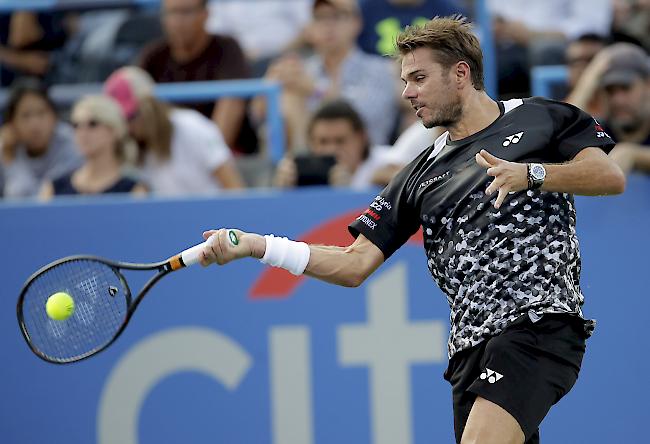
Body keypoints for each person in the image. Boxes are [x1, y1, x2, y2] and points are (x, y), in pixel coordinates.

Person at [196, 16, 626, 444]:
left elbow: (608, 176)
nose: (407, 93)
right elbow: (353, 264)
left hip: (538, 326)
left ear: (461, 73)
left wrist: (531, 174)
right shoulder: (419, 175)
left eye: (419, 78)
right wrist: (257, 245)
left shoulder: (541, 118)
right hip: (468, 352)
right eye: (405, 80)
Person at [262, 0, 401, 151]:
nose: (328, 25)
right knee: (288, 96)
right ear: (309, 29)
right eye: (320, 17)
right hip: (313, 159)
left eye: (337, 16)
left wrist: (315, 90)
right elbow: (258, 120)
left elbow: (365, 117)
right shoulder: (303, 70)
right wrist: (268, 90)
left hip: (366, 164)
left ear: (357, 23)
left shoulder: (378, 68)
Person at [139, 0, 257, 154]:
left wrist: (209, 158)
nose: (178, 21)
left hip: (224, 157)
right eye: (171, 13)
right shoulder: (152, 57)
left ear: (205, 14)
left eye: (186, 12)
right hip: (166, 155)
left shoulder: (226, 49)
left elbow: (232, 104)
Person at [104, 66, 244, 196]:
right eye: (121, 121)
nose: (128, 127)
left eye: (131, 116)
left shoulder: (193, 127)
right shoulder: (131, 147)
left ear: (150, 104)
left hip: (214, 219)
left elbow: (235, 190)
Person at [40, 95, 146, 199]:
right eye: (76, 125)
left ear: (114, 130)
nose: (82, 133)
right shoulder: (53, 188)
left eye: (93, 124)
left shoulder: (134, 190)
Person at [273, 99, 390, 190]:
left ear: (362, 138)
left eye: (340, 141)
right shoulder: (300, 175)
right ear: (311, 142)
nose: (331, 150)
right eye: (323, 142)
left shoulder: (386, 162)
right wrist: (283, 190)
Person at [569, 42, 650, 174]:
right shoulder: (599, 132)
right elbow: (561, 135)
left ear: (648, 85)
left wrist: (635, 154)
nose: (618, 100)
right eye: (610, 90)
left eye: (626, 88)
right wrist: (590, 77)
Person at [0, 80, 81, 199]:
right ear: (11, 123)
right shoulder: (5, 147)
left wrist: (12, 164)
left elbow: (42, 200)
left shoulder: (74, 144)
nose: (34, 125)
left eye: (41, 113)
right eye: (25, 115)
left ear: (54, 117)